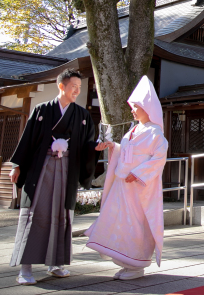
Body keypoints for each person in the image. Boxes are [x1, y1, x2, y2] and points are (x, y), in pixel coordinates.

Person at [9, 69, 99, 285]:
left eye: (79, 87)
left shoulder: (82, 115)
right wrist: (17, 165)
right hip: (42, 167)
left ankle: (56, 264)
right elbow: (27, 139)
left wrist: (97, 148)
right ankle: (26, 268)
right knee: (35, 213)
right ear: (61, 86)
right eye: (73, 86)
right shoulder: (41, 110)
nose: (77, 90)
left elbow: (87, 143)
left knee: (62, 215)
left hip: (67, 169)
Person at [85, 76, 168, 281]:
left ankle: (136, 263)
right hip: (124, 185)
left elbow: (159, 158)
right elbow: (127, 151)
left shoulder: (156, 133)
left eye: (135, 106)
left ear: (146, 107)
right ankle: (125, 261)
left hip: (140, 188)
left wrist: (138, 173)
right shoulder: (134, 129)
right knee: (119, 220)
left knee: (137, 223)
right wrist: (114, 147)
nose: (132, 110)